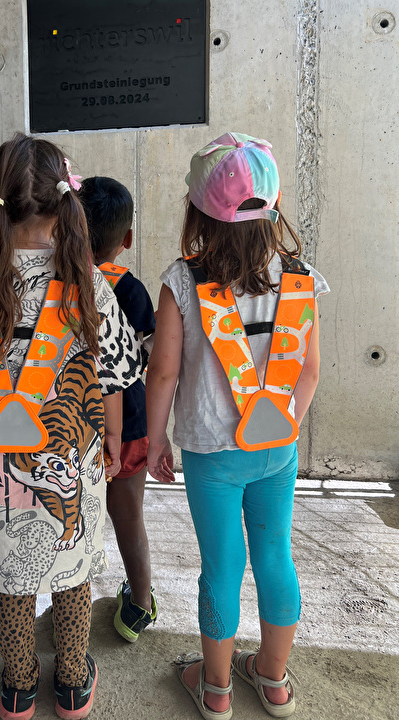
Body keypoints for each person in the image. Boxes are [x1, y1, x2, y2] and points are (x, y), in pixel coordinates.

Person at [0, 133, 143, 720]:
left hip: (1, 470)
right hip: (72, 463)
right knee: (71, 570)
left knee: (14, 575)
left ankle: (17, 686)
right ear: (67, 205)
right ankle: (74, 680)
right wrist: (112, 436)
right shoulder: (92, 290)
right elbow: (116, 374)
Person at [145, 132, 329, 720]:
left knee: (221, 564)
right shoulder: (300, 278)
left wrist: (154, 443)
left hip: (211, 455)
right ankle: (273, 680)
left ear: (199, 210)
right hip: (277, 449)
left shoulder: (181, 283)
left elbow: (164, 375)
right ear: (273, 205)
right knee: (276, 555)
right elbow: (311, 369)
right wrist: (283, 425)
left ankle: (217, 689)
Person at [79, 176, 158, 642]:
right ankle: (140, 604)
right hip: (127, 421)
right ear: (126, 239)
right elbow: (145, 358)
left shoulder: (59, 283)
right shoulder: (130, 290)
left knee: (74, 516)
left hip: (72, 424)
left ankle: (70, 598)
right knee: (127, 514)